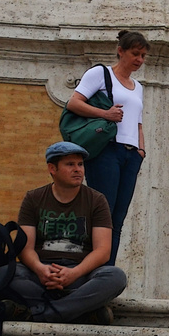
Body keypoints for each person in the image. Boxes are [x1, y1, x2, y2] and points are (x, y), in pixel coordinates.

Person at [2, 141, 128, 324]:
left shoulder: (97, 200)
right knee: (4, 273)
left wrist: (74, 274)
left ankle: (43, 313)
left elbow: (103, 251)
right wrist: (40, 269)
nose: (78, 170)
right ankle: (80, 310)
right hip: (41, 274)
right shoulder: (33, 198)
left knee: (115, 277)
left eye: (80, 164)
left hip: (81, 274)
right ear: (52, 168)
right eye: (70, 164)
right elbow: (24, 247)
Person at [65, 30, 149, 265]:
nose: (139, 60)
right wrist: (106, 114)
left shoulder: (138, 86)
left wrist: (141, 150)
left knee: (118, 219)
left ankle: (106, 273)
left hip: (131, 155)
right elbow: (73, 102)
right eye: (135, 54)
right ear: (120, 51)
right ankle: (90, 270)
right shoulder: (100, 74)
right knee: (102, 215)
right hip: (106, 150)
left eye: (143, 56)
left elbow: (138, 122)